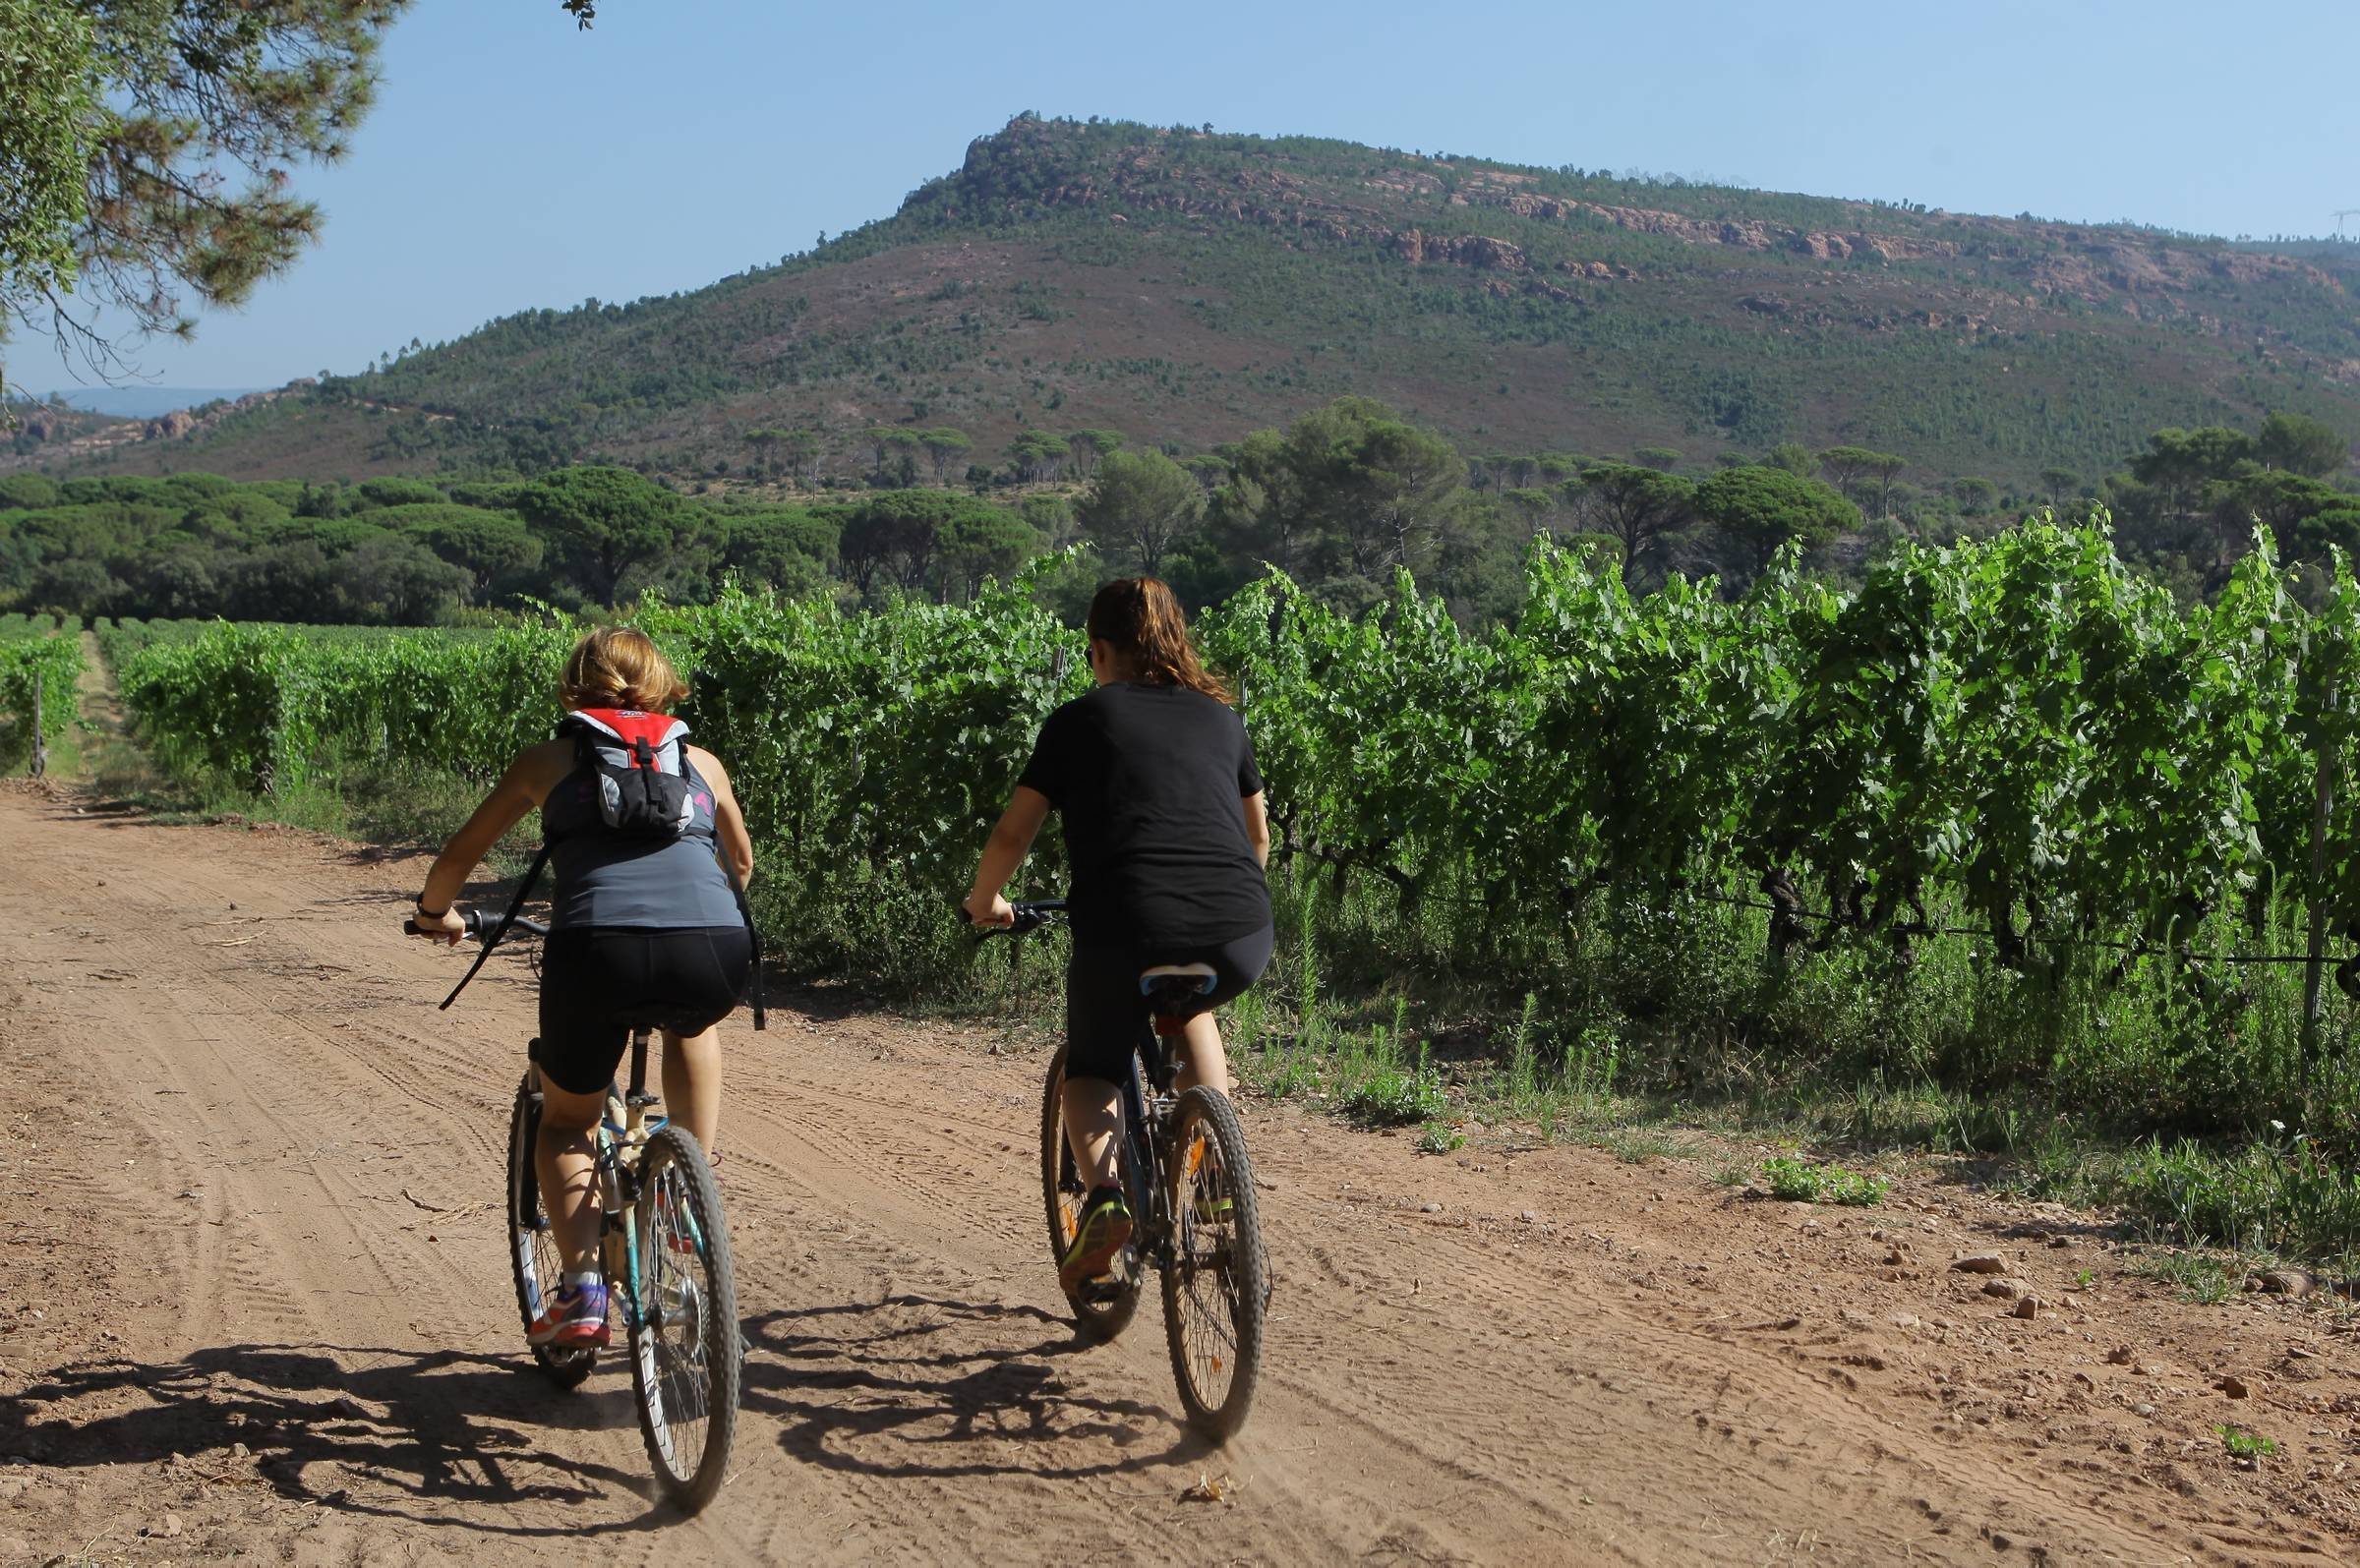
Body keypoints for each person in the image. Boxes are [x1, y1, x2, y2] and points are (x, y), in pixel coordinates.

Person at [406, 627, 755, 1348]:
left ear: (574, 685)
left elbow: (461, 853)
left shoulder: (548, 761)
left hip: (596, 949)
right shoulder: (703, 762)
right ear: (662, 684)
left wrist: (434, 914)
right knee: (693, 1022)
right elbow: (741, 864)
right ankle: (689, 1193)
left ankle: (584, 1290)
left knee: (566, 1121)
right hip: (714, 947)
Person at [965, 578, 1272, 1292]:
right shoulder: (1223, 721)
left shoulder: (1079, 719)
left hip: (1125, 924)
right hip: (1239, 927)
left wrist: (986, 900)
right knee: (1193, 1005)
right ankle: (1217, 1159)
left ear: (1099, 650)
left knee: (1094, 1066)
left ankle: (1104, 1201)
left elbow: (1016, 830)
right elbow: (1257, 836)